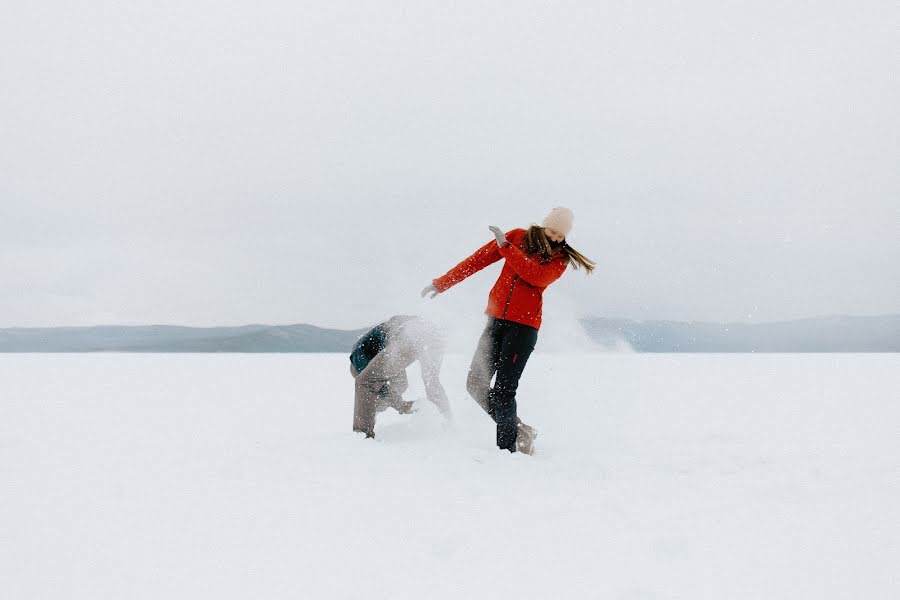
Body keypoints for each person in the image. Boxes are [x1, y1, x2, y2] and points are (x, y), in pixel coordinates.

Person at [421, 207, 595, 454]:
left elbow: (535, 276)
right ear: (544, 224)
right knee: (475, 384)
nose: (556, 238)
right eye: (553, 230)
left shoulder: (559, 258)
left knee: (503, 392)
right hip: (495, 323)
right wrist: (442, 283)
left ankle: (508, 451)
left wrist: (507, 249)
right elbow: (477, 260)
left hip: (523, 330)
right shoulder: (516, 237)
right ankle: (519, 431)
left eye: (561, 235)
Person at [350, 315, 452, 438]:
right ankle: (448, 423)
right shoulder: (374, 344)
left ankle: (363, 434)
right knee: (430, 382)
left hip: (410, 336)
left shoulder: (358, 358)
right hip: (432, 333)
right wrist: (400, 404)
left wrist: (402, 406)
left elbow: (369, 383)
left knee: (365, 383)